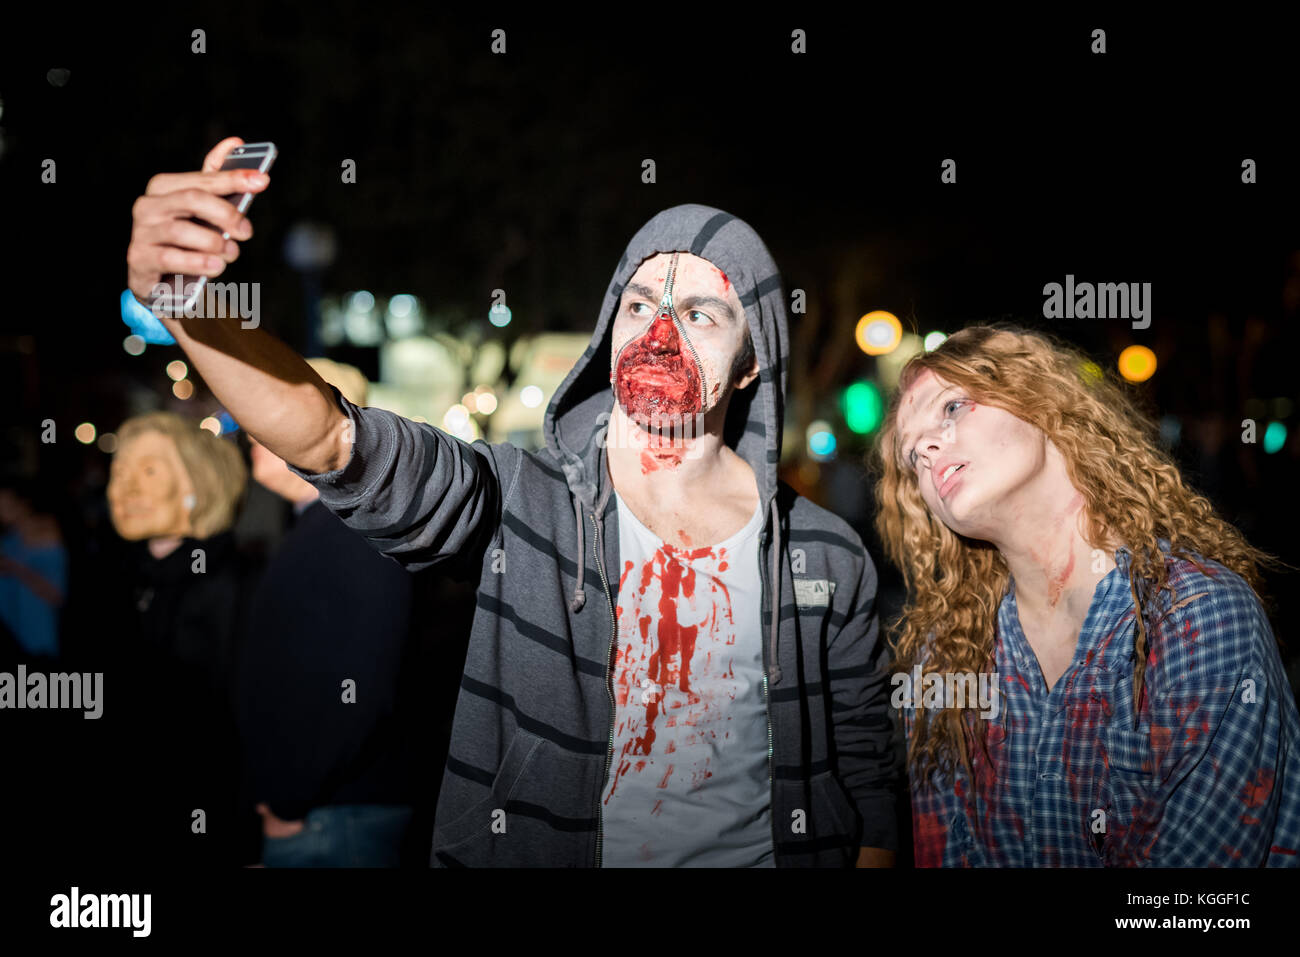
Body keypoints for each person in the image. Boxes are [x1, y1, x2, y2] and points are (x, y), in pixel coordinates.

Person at [125, 136, 900, 867]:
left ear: (748, 364)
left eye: (699, 313)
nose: (658, 330)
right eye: (637, 305)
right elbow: (334, 442)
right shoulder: (523, 500)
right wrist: (188, 302)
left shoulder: (825, 553)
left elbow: (864, 770)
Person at [872, 324, 1300, 866]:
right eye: (912, 457)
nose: (927, 450)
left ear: (1041, 401)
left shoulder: (1197, 616)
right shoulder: (945, 660)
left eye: (952, 408)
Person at [237, 358, 425, 867]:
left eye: (274, 406)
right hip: (327, 808)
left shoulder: (355, 529)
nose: (253, 425)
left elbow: (360, 689)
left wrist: (289, 798)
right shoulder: (323, 523)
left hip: (335, 816)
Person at [106, 410, 251, 864]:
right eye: (119, 472)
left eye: (149, 471)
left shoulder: (224, 584)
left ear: (198, 482)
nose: (125, 490)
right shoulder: (130, 577)